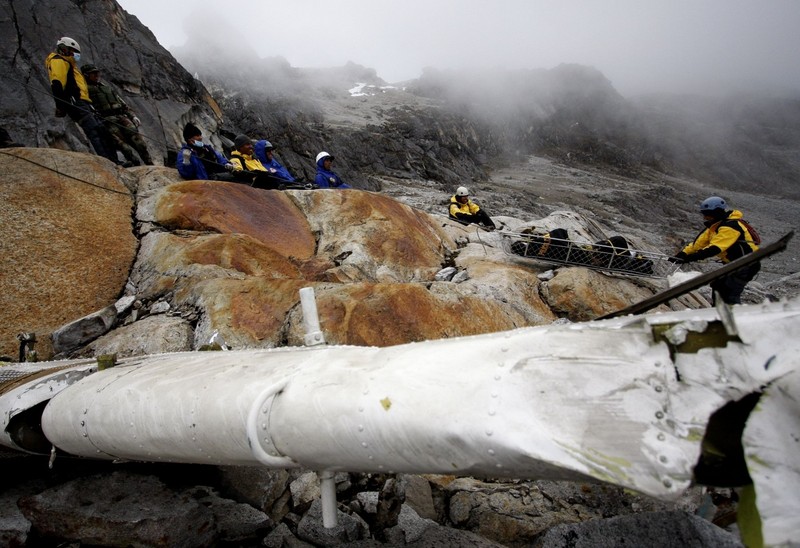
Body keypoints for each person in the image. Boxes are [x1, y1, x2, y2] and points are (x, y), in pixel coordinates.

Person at [669, 196, 760, 305]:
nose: (705, 217)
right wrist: (683, 253)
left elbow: (714, 249)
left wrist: (689, 258)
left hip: (747, 265)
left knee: (729, 294)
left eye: (707, 214)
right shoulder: (715, 226)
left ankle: (733, 318)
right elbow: (698, 244)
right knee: (718, 286)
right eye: (704, 214)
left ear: (716, 212)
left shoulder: (731, 227)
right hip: (735, 264)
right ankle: (718, 312)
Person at [44, 37, 117, 163]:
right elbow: (57, 83)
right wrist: (61, 105)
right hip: (76, 103)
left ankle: (114, 160)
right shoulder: (58, 61)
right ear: (64, 49)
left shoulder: (70, 65)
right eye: (72, 51)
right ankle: (109, 161)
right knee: (94, 131)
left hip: (83, 102)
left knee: (101, 130)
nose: (75, 55)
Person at [81, 64, 153, 165]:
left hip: (121, 117)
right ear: (86, 75)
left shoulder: (106, 88)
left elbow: (122, 103)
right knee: (124, 147)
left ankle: (150, 164)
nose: (97, 75)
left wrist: (132, 116)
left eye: (97, 73)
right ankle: (136, 164)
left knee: (139, 143)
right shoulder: (84, 90)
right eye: (93, 74)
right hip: (106, 121)